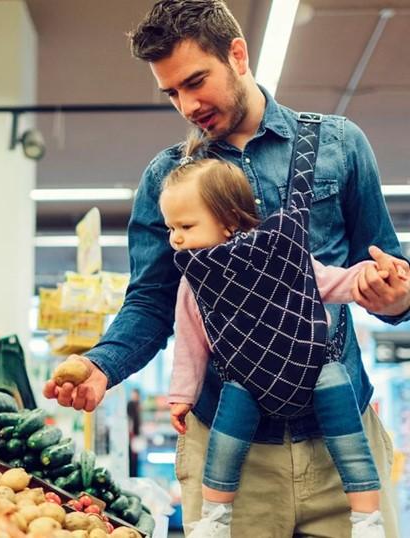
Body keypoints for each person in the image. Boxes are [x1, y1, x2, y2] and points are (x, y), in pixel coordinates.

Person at [43, 1, 410, 536]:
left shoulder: (340, 144)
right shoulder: (167, 178)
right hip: (227, 458)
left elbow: (385, 263)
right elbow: (151, 302)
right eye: (172, 92)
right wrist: (103, 366)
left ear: (237, 55)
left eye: (196, 81)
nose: (188, 105)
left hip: (344, 447)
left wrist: (396, 295)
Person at [161, 138, 403, 537]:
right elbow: (190, 344)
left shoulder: (282, 254)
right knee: (226, 439)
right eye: (171, 228)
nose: (176, 238)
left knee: (346, 429)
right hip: (247, 384)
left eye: (186, 226)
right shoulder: (196, 282)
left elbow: (328, 281)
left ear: (229, 220)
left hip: (315, 369)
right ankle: (216, 517)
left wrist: (365, 278)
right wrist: (182, 395)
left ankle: (366, 517)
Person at [127, 388, 142, 477]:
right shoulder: (131, 404)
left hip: (135, 436)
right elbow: (130, 421)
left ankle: (134, 474)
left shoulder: (137, 405)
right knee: (132, 458)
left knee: (135, 457)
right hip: (132, 436)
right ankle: (132, 475)